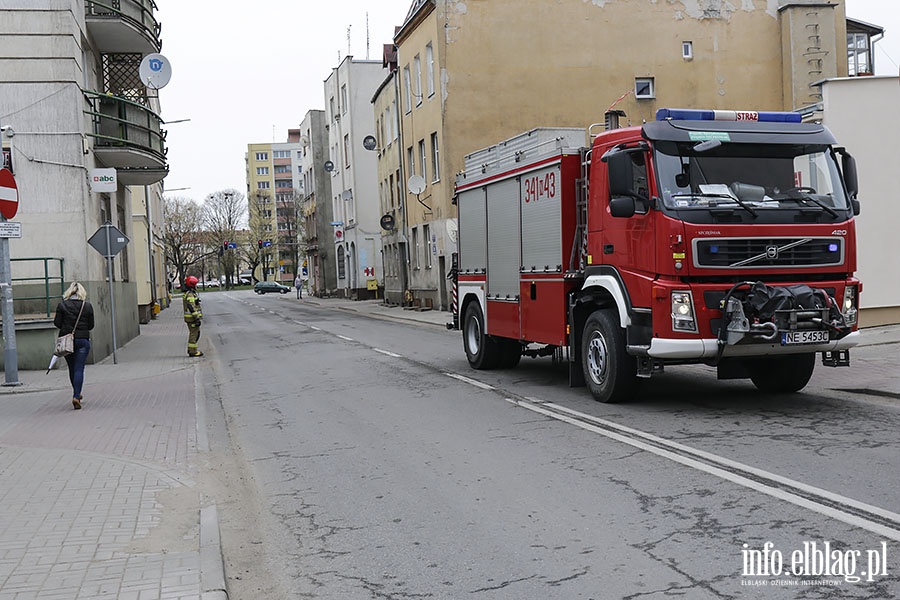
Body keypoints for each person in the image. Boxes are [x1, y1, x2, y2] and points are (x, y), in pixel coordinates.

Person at [53, 281, 95, 410]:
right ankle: (76, 395)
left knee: (72, 368)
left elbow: (57, 323)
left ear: (69, 292)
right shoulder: (87, 306)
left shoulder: (62, 305)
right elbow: (91, 325)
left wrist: (67, 328)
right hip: (82, 340)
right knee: (79, 368)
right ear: (82, 292)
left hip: (67, 341)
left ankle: (76, 393)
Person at [183, 275, 203, 357]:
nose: (196, 286)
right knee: (194, 334)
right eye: (195, 284)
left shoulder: (189, 293)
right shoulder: (190, 294)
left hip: (191, 318)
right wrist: (196, 318)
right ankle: (192, 352)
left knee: (196, 333)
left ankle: (192, 350)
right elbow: (191, 306)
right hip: (192, 318)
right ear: (192, 285)